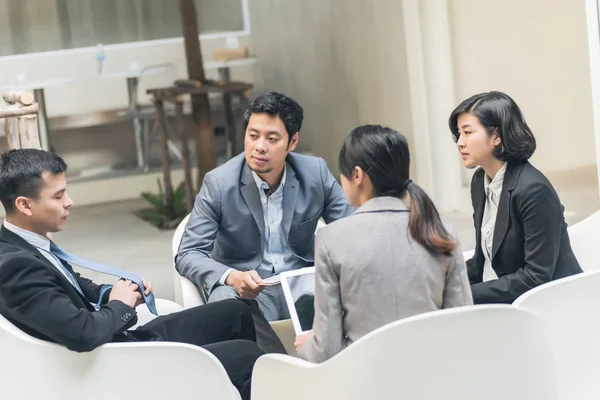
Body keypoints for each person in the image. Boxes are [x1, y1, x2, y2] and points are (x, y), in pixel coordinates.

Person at [0, 149, 263, 400]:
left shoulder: (28, 245)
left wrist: (122, 291)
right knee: (246, 356)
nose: (69, 203)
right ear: (25, 205)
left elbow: (77, 288)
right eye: (58, 196)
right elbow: (82, 333)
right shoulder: (16, 267)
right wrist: (120, 303)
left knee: (233, 311)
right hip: (113, 366)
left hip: (116, 344)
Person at [176, 91, 354, 352]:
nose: (259, 146)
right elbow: (188, 253)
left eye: (272, 139)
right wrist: (230, 276)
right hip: (250, 288)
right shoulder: (219, 183)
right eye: (253, 135)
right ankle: (275, 371)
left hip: (304, 282)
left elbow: (351, 231)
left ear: (292, 142)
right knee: (226, 302)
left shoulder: (314, 173)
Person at [295, 125, 473, 363]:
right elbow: (462, 329)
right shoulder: (441, 233)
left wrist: (307, 346)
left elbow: (326, 351)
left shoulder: (332, 240)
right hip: (434, 381)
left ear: (357, 175)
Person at [449, 91, 582, 304]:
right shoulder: (480, 181)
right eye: (459, 133)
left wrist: (463, 296)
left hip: (549, 306)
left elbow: (536, 277)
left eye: (468, 132)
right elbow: (484, 260)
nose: (460, 142)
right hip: (506, 300)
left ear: (497, 136)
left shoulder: (533, 189)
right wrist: (443, 282)